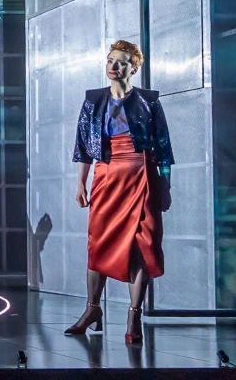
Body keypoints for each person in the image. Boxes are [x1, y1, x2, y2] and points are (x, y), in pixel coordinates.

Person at [64, 39, 174, 345]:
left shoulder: (149, 101)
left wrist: (165, 184)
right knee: (97, 244)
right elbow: (83, 147)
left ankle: (133, 315)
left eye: (122, 61)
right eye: (111, 60)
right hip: (106, 177)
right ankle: (92, 311)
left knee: (143, 245)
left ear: (134, 67)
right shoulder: (92, 101)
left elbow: (164, 147)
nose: (114, 65)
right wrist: (80, 184)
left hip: (143, 177)